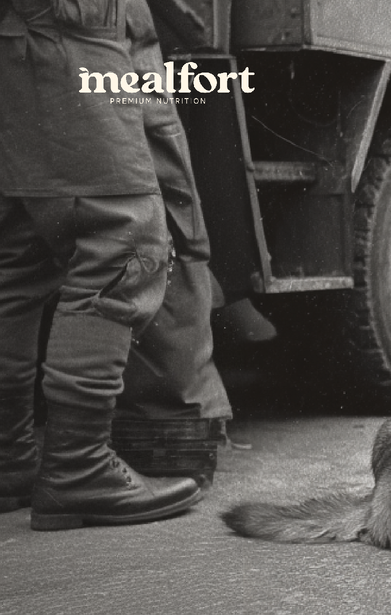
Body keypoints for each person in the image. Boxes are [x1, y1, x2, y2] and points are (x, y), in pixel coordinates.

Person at [0, 0, 202, 528]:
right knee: (123, 237)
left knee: (20, 252)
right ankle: (77, 469)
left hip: (25, 37)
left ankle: (8, 460)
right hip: (68, 28)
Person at [110, 0, 233, 486]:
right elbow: (195, 24)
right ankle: (170, 435)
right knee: (165, 220)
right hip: (113, 42)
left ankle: (16, 459)